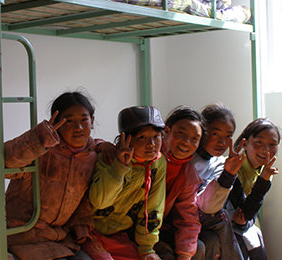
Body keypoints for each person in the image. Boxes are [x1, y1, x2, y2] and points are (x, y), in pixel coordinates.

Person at [4, 91, 114, 260]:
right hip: (21, 234)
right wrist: (40, 137)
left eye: (84, 120)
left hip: (60, 237)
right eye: (68, 121)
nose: (78, 127)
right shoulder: (42, 149)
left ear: (92, 121)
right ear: (56, 123)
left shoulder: (93, 154)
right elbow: (6, 161)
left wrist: (102, 144)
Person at [82, 106, 167, 260]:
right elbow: (100, 202)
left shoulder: (158, 164)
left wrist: (147, 249)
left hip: (119, 235)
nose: (152, 143)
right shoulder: (109, 157)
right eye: (142, 137)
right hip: (90, 231)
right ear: (125, 138)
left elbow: (154, 207)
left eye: (156, 136)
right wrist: (119, 167)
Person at [191, 103, 246, 260]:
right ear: (202, 130)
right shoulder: (187, 155)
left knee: (212, 239)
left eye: (228, 136)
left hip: (201, 218)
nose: (222, 142)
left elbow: (208, 206)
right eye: (215, 134)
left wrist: (229, 174)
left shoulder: (221, 163)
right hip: (180, 216)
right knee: (221, 218)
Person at [153, 106, 206, 260]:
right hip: (132, 225)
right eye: (181, 133)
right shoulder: (150, 152)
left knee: (197, 249)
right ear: (167, 131)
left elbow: (187, 217)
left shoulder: (188, 173)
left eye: (194, 139)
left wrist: (185, 254)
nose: (186, 142)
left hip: (157, 227)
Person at [225, 118, 281, 260]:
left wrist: (264, 178)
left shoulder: (265, 170)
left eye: (272, 144)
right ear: (245, 143)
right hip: (223, 217)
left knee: (256, 242)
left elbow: (249, 212)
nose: (265, 149)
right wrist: (245, 220)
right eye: (259, 142)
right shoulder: (235, 166)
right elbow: (241, 211)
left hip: (245, 221)